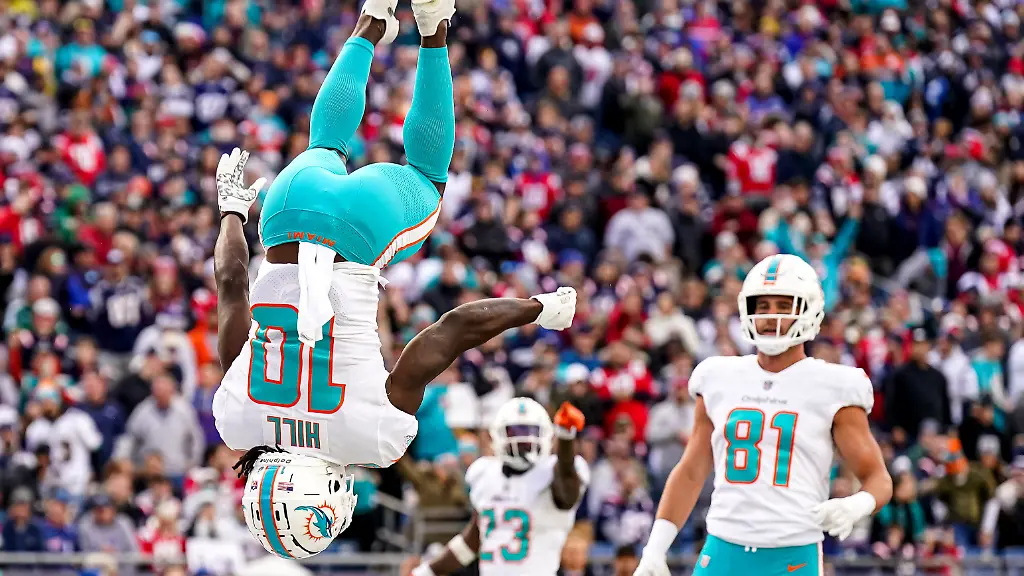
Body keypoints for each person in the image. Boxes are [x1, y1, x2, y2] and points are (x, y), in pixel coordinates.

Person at [210, 3, 579, 560]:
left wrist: (539, 309)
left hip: (361, 233)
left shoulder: (373, 440)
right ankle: (370, 23)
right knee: (325, 144)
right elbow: (231, 280)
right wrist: (234, 210)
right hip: (284, 214)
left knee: (427, 177)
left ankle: (433, 28)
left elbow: (449, 331)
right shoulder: (235, 418)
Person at [633, 254, 893, 576]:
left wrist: (856, 505)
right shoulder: (718, 376)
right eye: (763, 305)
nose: (771, 317)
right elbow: (691, 470)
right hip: (722, 548)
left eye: (784, 306)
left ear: (809, 310)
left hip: (791, 555)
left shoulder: (834, 385)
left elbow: (878, 477)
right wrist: (655, 549)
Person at [409, 398, 589, 576]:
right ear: (498, 435)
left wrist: (566, 440)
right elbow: (471, 542)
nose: (523, 439)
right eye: (515, 432)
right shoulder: (486, 473)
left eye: (530, 432)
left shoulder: (555, 472)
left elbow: (567, 495)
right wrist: (426, 571)